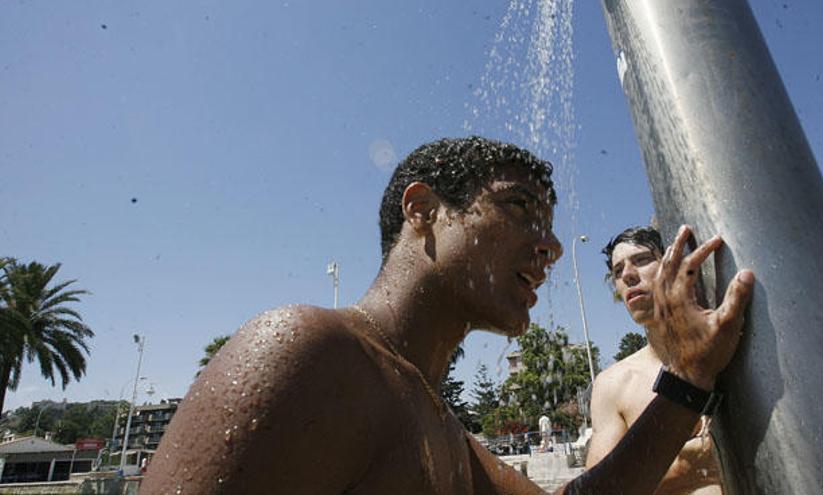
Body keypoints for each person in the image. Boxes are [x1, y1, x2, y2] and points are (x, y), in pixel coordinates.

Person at [141, 137, 754, 494]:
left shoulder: (438, 424)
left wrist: (688, 379)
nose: (552, 246)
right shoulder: (311, 351)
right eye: (519, 208)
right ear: (424, 210)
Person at [586, 226, 730, 494]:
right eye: (617, 271)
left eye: (641, 260)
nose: (627, 275)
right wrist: (690, 465)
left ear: (674, 263)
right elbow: (597, 490)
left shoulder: (734, 349)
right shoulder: (614, 385)